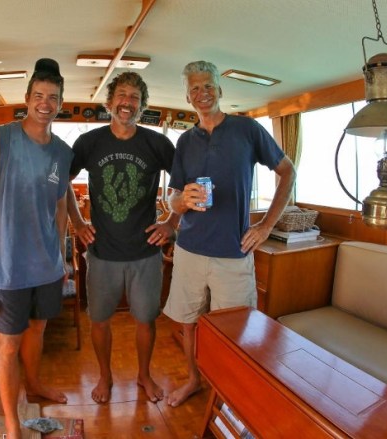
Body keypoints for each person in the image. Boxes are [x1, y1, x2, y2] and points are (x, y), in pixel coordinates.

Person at [163, 60, 296, 407]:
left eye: (208, 86)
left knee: (234, 330)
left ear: (219, 90)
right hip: (190, 249)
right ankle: (194, 380)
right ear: (187, 97)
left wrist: (266, 226)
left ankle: (226, 395)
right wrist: (181, 202)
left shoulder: (247, 130)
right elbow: (172, 199)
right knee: (189, 323)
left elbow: (288, 171)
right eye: (194, 88)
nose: (202, 93)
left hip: (234, 252)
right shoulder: (184, 141)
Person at [0, 58, 73, 439]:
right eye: (39, 95)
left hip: (46, 265)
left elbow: (60, 206)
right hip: (6, 265)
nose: (45, 103)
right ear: (27, 99)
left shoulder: (63, 152)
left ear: (60, 104)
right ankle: (12, 423)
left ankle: (35, 383)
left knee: (38, 329)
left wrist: (61, 256)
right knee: (7, 344)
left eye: (53, 97)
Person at [67, 71, 178, 404]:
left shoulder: (158, 144)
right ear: (110, 101)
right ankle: (105, 377)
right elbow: (62, 183)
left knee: (146, 320)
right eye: (122, 95)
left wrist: (171, 221)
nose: (127, 102)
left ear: (141, 106)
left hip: (146, 253)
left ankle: (144, 375)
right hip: (102, 254)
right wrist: (77, 222)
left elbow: (185, 185)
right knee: (99, 321)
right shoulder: (89, 142)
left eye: (134, 98)